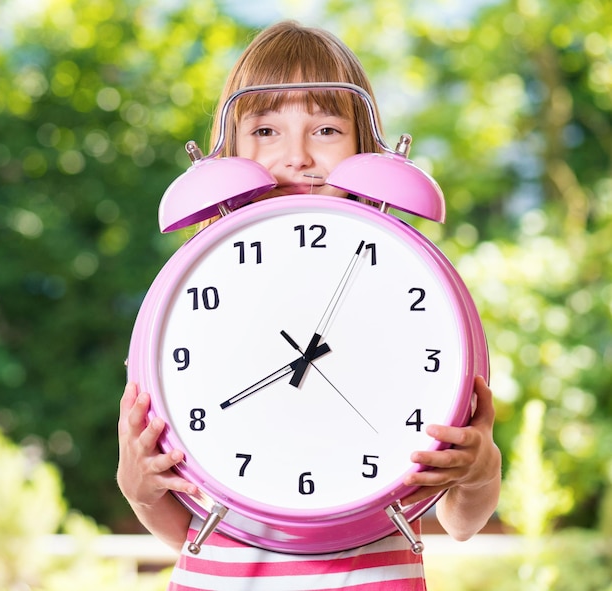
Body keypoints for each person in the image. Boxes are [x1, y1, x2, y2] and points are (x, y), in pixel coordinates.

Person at [117, 20, 502, 591]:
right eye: (267, 129)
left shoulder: (406, 283)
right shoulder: (200, 295)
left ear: (365, 146)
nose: (296, 157)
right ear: (231, 148)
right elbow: (181, 530)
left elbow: (458, 523)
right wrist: (138, 483)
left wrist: (480, 470)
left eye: (325, 128)